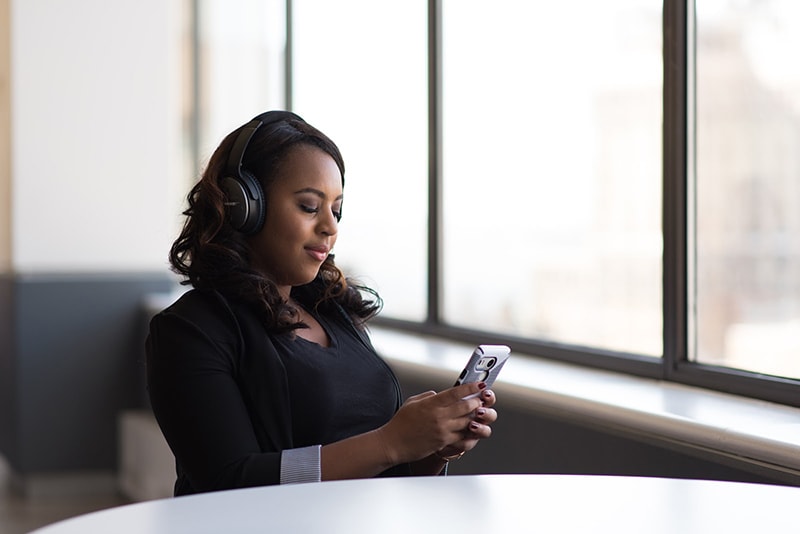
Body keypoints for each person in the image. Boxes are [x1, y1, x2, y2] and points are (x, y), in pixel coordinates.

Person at [145, 110, 498, 496]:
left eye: (336, 209)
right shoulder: (190, 330)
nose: (330, 227)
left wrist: (431, 449)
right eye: (310, 207)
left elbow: (381, 472)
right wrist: (391, 442)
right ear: (243, 207)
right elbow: (230, 482)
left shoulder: (334, 314)